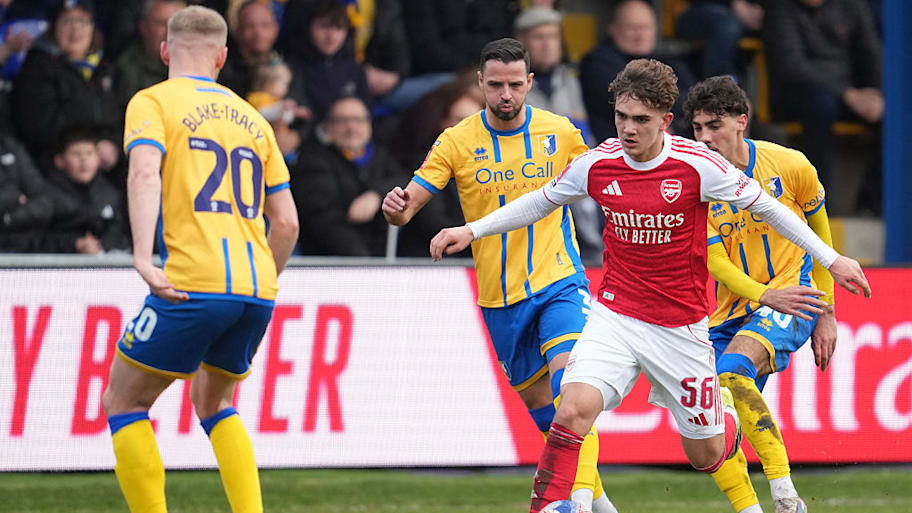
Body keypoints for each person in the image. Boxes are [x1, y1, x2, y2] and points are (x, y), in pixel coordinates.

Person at [426, 58, 871, 513]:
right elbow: (540, 201)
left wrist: (832, 260)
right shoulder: (598, 164)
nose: (628, 129)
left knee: (706, 453)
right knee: (571, 409)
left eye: (640, 119)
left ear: (665, 120)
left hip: (680, 328)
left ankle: (727, 426)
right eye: (621, 116)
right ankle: (550, 505)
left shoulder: (699, 166)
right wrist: (473, 230)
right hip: (615, 316)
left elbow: (773, 210)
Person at [382, 38, 616, 513]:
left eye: (514, 84)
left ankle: (572, 501)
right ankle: (597, 502)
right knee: (549, 416)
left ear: (530, 83)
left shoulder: (561, 133)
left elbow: (607, 183)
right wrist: (395, 209)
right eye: (495, 85)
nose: (505, 94)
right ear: (480, 84)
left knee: (572, 398)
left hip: (559, 283)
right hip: (499, 300)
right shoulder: (456, 141)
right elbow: (407, 210)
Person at [101, 6, 299, 513]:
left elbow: (144, 174)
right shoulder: (256, 119)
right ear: (223, 56)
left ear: (165, 51)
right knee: (216, 402)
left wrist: (143, 258)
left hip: (192, 279)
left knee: (125, 402)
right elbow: (288, 223)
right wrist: (262, 282)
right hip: (256, 286)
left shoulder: (152, 102)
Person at [684, 76, 834, 513]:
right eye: (697, 129)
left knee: (730, 372)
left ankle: (786, 494)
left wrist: (826, 311)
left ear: (741, 122)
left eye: (714, 125)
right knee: (708, 425)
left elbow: (819, 239)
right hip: (731, 312)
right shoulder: (695, 187)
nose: (705, 138)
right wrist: (761, 296)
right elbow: (716, 263)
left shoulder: (791, 166)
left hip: (794, 297)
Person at [763, 0, 882, 191]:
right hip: (797, 94)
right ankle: (818, 200)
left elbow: (871, 52)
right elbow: (792, 66)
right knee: (820, 105)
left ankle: (874, 199)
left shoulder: (852, 6)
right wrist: (847, 93)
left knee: (897, 112)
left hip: (848, 93)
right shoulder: (779, 8)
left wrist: (878, 93)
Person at [11, 0, 121, 171]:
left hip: (104, 164)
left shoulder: (105, 69)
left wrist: (113, 144)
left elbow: (122, 117)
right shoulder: (37, 67)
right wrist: (88, 147)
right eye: (68, 21)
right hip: (55, 164)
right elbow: (39, 128)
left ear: (93, 28)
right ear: (54, 28)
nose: (76, 29)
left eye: (83, 22)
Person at [294, 95, 408, 256]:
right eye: (342, 120)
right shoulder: (313, 162)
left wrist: (376, 195)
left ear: (369, 125)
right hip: (332, 266)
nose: (352, 127)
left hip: (378, 263)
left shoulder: (380, 155)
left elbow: (404, 179)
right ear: (328, 127)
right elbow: (326, 223)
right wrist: (364, 264)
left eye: (359, 120)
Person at [579, 0, 696, 142]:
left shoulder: (671, 62)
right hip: (617, 151)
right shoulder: (597, 63)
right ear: (613, 29)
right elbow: (634, 101)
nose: (640, 35)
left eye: (646, 28)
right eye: (632, 28)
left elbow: (692, 103)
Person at [41, 126, 129, 254]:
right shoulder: (46, 195)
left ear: (98, 159)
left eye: (89, 153)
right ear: (59, 161)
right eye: (76, 154)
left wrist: (101, 245)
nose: (84, 160)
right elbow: (38, 238)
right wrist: (75, 244)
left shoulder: (111, 193)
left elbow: (119, 232)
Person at [113, 0, 186, 111]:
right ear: (143, 27)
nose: (169, 31)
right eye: (161, 23)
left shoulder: (203, 62)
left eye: (177, 25)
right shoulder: (127, 67)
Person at [0, 133, 53, 252]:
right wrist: (14, 197)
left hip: (25, 247)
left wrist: (8, 218)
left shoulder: (10, 147)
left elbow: (44, 204)